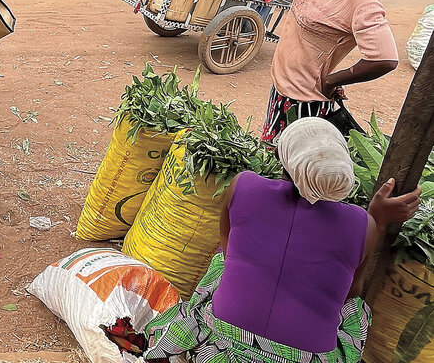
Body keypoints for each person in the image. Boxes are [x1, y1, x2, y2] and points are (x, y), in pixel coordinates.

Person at [140, 117, 421, 363]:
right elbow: (351, 291)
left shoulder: (243, 186)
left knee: (222, 266)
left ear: (283, 159)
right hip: (304, 357)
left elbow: (227, 251)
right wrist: (376, 217)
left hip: (220, 347)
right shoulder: (362, 224)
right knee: (355, 309)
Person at [259, 0, 400, 145]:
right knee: (273, 151)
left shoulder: (364, 1)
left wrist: (332, 80)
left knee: (291, 163)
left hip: (305, 100)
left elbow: (385, 60)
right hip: (282, 86)